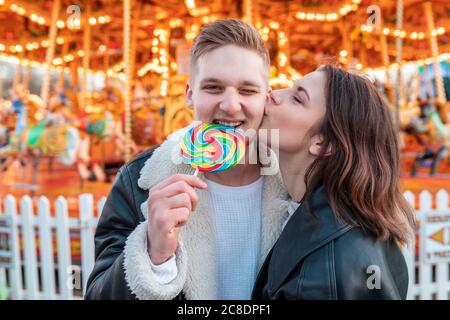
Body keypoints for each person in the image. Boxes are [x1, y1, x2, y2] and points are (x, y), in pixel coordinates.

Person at [85, 19, 289, 300]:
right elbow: (98, 296)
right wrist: (154, 253)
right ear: (190, 95)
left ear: (266, 98)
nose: (230, 105)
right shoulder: (138, 182)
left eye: (247, 90)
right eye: (214, 88)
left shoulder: (299, 186)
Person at [252, 64, 415, 299]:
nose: (274, 94)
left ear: (323, 143)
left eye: (297, 99)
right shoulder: (335, 221)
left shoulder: (324, 272)